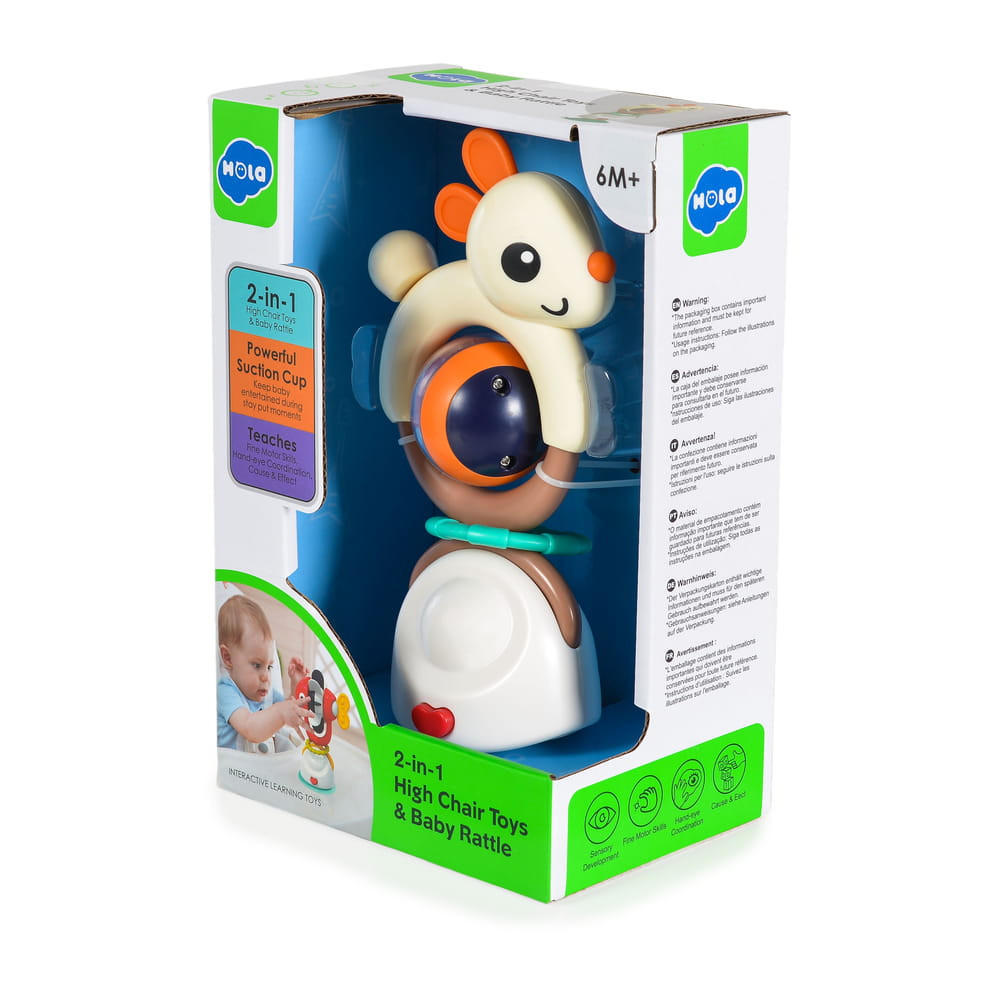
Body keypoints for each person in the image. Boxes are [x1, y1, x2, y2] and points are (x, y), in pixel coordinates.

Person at [217, 594, 309, 749]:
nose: (266, 677)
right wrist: (279, 712)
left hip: (260, 764)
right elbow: (250, 728)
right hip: (233, 764)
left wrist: (297, 684)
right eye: (257, 665)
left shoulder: (267, 696)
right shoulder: (225, 692)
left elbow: (289, 708)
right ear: (228, 657)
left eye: (269, 667)